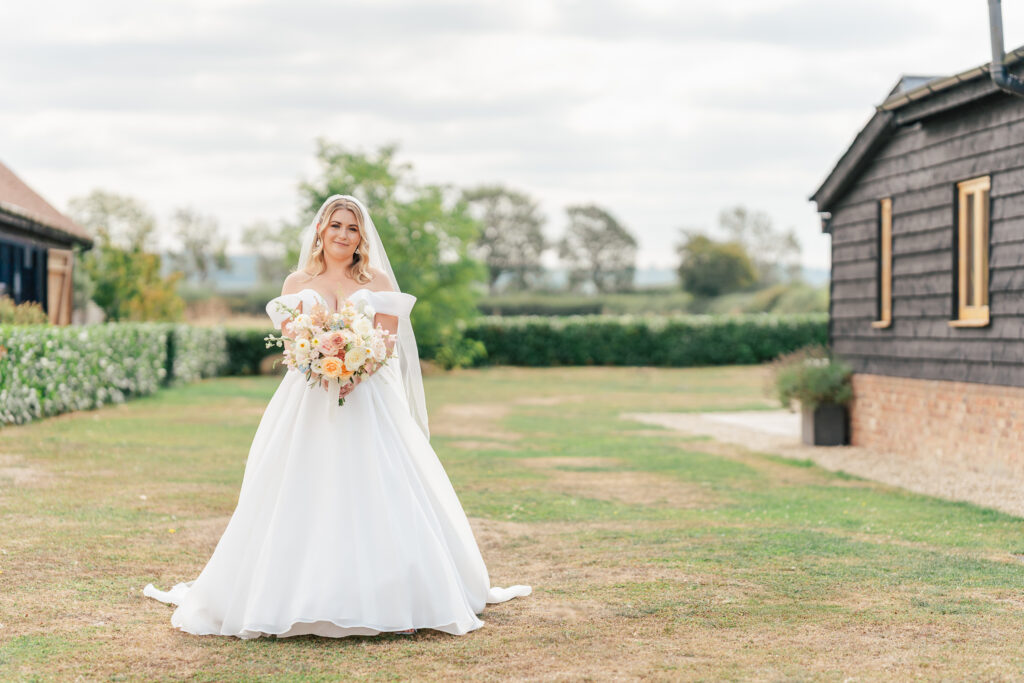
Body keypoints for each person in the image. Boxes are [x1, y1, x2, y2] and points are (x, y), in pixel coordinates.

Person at [143, 194, 531, 639]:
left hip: (369, 399)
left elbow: (386, 341)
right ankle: (291, 593)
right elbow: (292, 344)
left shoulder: (378, 279)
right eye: (336, 227)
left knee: (379, 484)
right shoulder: (296, 282)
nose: (343, 235)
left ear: (361, 237)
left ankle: (393, 591)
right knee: (300, 484)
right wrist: (320, 362)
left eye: (352, 228)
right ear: (320, 232)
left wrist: (356, 370)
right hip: (309, 398)